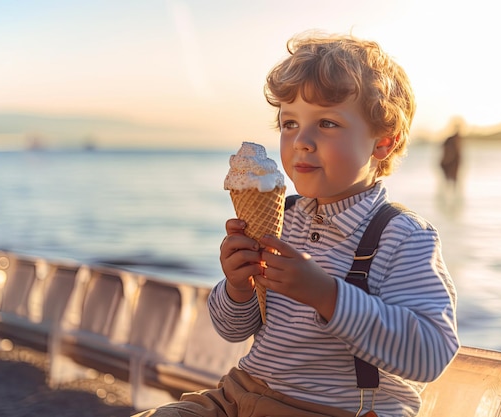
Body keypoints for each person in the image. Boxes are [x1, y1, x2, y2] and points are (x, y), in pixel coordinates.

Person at [133, 30, 459, 417]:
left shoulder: (401, 236)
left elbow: (431, 353)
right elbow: (232, 330)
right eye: (289, 124)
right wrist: (238, 287)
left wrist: (327, 295)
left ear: (383, 143)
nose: (301, 140)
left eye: (327, 123)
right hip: (240, 394)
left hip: (337, 409)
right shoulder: (283, 218)